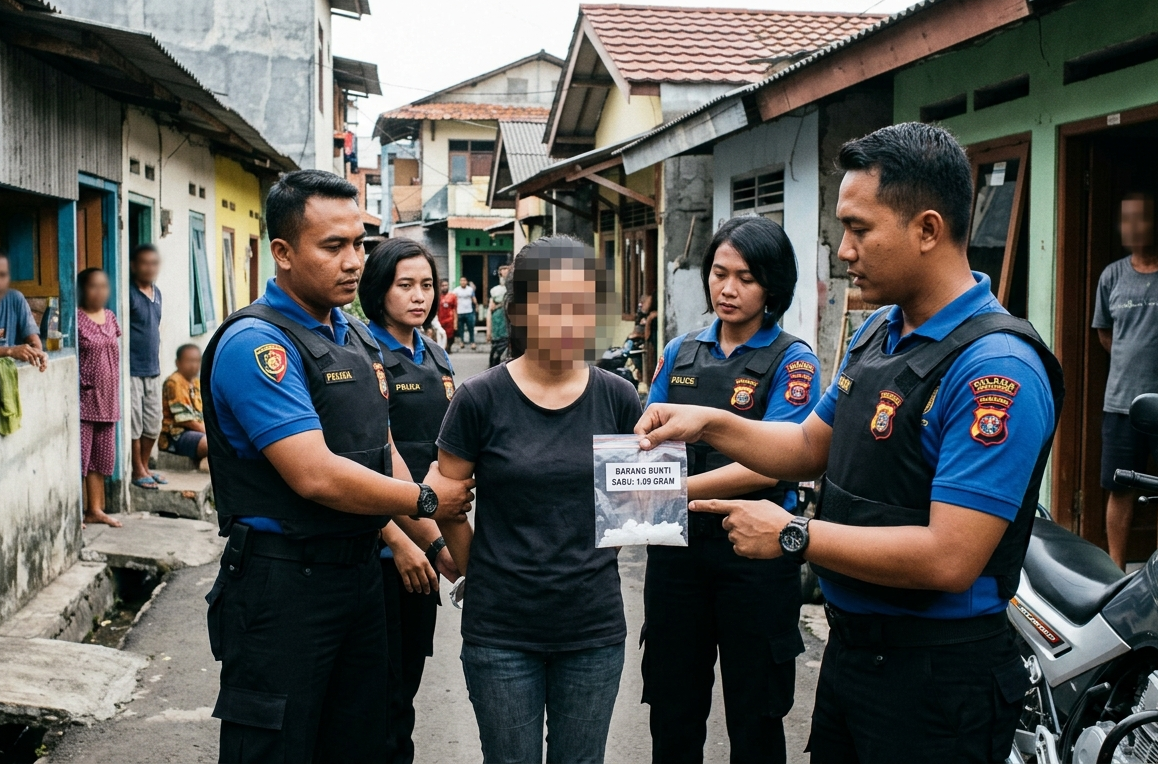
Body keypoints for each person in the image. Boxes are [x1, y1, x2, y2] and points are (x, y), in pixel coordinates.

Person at [635, 123, 1063, 764]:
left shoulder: (994, 368)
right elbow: (809, 446)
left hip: (936, 677)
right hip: (856, 652)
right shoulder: (880, 337)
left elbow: (951, 557)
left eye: (860, 229)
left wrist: (793, 535)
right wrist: (710, 423)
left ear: (926, 229)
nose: (842, 250)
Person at [200, 169, 475, 763]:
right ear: (283, 252)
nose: (353, 262)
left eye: (358, 244)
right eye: (333, 246)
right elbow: (316, 474)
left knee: (361, 744)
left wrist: (437, 546)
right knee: (277, 747)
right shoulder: (258, 345)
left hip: (356, 583)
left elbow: (384, 452)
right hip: (283, 587)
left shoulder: (353, 335)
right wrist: (427, 502)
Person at [433, 237, 641, 764]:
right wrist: (476, 574)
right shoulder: (479, 398)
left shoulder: (617, 396)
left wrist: (590, 565)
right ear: (520, 309)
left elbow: (633, 504)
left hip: (592, 629)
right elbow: (447, 500)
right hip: (501, 630)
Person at [642, 215, 820, 764]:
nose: (728, 288)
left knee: (756, 713)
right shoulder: (680, 353)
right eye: (719, 273)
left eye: (745, 276)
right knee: (672, 707)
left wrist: (676, 487)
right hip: (676, 553)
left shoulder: (794, 360)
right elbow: (647, 436)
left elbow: (770, 466)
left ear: (773, 285)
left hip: (757, 555)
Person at [358, 238, 462, 764]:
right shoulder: (360, 353)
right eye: (405, 285)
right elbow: (358, 461)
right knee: (377, 693)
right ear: (378, 289)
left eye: (426, 285)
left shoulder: (437, 356)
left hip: (426, 540)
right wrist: (399, 539)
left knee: (408, 688)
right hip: (383, 548)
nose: (419, 297)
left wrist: (441, 540)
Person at [1093, 192, 1158, 569]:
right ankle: (1115, 569)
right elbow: (1105, 335)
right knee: (1120, 488)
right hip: (1120, 404)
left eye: (1141, 219)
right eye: (1126, 219)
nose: (1133, 227)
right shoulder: (1112, 276)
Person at [77, 268, 122, 527]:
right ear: (83, 289)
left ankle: (95, 510)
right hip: (85, 398)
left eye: (104, 286)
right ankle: (77, 512)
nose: (100, 292)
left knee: (100, 459)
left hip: (108, 399)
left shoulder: (110, 317)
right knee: (81, 458)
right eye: (94, 286)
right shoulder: (76, 318)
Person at [128, 243, 166, 489]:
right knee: (135, 423)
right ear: (133, 266)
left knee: (154, 423)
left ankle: (145, 465)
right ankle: (137, 469)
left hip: (153, 368)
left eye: (154, 263)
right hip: (131, 369)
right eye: (144, 263)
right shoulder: (129, 293)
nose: (150, 268)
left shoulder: (157, 292)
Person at [159, 344, 208, 464]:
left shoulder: (196, 381)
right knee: (214, 443)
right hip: (176, 436)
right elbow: (185, 420)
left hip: (197, 432)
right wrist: (210, 432)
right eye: (189, 361)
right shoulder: (175, 382)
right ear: (178, 363)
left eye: (197, 361)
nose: (194, 366)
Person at [0, 251, 48, 372]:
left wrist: (37, 353)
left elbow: (33, 341)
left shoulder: (15, 298)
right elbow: (12, 351)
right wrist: (10, 351)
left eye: (2, 275)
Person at [487, 264, 509, 368]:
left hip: (508, 319)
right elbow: (490, 309)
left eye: (506, 269)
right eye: (502, 270)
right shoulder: (495, 290)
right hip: (497, 320)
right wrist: (488, 330)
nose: (504, 272)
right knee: (496, 347)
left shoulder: (512, 288)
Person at [452, 275, 477, 350]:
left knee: (471, 328)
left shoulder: (470, 290)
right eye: (461, 280)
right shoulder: (456, 290)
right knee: (461, 329)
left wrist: (477, 306)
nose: (463, 282)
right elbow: (453, 300)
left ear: (466, 282)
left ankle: (472, 342)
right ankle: (461, 342)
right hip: (459, 312)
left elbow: (473, 298)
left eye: (464, 280)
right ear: (460, 282)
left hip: (469, 311)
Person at [437, 279, 457, 354]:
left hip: (450, 320)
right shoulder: (438, 297)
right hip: (440, 319)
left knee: (450, 336)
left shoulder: (453, 296)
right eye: (443, 286)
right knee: (441, 334)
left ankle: (448, 347)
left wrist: (455, 322)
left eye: (446, 285)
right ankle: (442, 349)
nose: (444, 287)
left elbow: (455, 309)